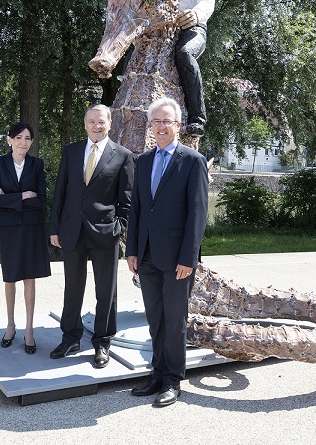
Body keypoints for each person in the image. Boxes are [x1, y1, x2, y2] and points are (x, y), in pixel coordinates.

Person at [126, 97, 208, 407]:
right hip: (145, 255)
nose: (161, 127)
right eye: (156, 121)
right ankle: (157, 373)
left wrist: (189, 258)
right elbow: (137, 210)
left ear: (178, 125)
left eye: (167, 121)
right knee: (155, 318)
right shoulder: (144, 160)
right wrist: (132, 250)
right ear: (151, 126)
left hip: (177, 260)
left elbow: (197, 214)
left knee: (175, 320)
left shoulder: (192, 161)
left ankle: (173, 379)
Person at [49, 105, 134, 368]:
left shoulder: (123, 155)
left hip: (105, 233)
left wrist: (118, 227)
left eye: (101, 121)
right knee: (72, 288)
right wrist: (54, 228)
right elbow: (60, 192)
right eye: (91, 121)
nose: (96, 126)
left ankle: (102, 342)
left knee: (106, 291)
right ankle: (70, 337)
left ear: (110, 123)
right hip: (72, 231)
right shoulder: (71, 152)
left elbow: (127, 201)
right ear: (85, 124)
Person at [0, 122, 51, 355]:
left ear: (31, 142)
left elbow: (42, 200)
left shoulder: (37, 165)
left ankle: (28, 330)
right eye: (18, 138)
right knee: (10, 277)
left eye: (27, 138)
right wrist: (24, 196)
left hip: (31, 228)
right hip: (7, 228)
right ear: (9, 140)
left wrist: (10, 198)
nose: (23, 142)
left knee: (29, 278)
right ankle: (10, 325)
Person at [165, 0, 216, 137]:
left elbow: (207, 0)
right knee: (133, 60)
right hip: (161, 29)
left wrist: (195, 15)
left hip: (192, 28)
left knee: (184, 53)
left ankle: (197, 117)